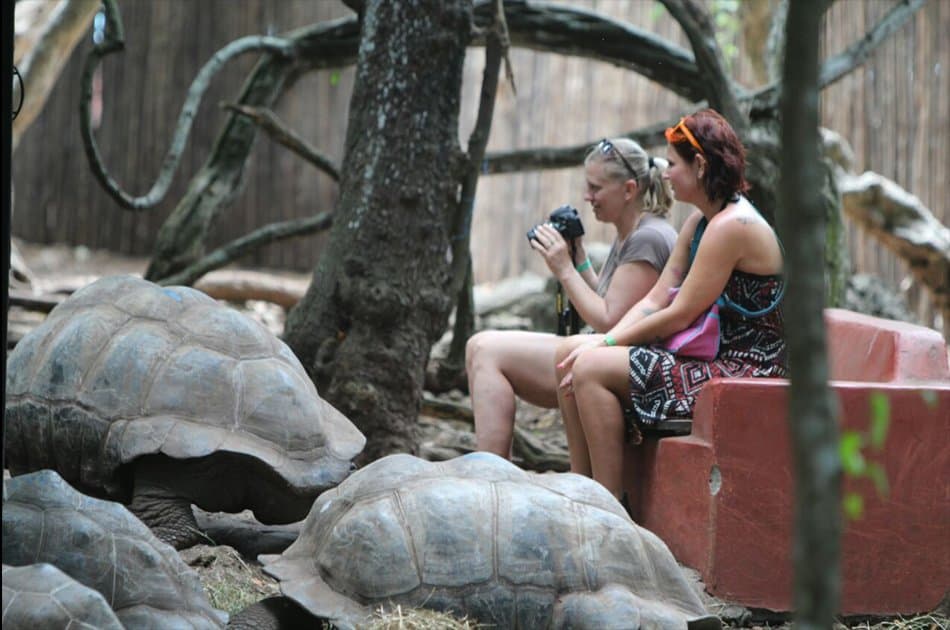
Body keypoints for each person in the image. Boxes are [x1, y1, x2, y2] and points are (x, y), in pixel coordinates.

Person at [554, 109, 787, 500]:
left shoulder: (732, 227)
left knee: (591, 367)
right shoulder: (700, 222)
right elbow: (656, 298)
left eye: (673, 164)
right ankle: (581, 488)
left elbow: (679, 314)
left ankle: (607, 503)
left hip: (743, 366)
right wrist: (606, 338)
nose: (664, 173)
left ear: (698, 166)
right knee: (568, 350)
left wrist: (607, 346)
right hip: (707, 355)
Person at [466, 137, 678, 458]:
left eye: (596, 188)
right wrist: (578, 258)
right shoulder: (635, 231)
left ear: (629, 189)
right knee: (478, 346)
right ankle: (492, 467)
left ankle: (492, 474)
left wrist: (563, 269)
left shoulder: (648, 238)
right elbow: (610, 301)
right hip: (598, 352)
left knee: (485, 350)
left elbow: (609, 321)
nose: (586, 196)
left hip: (617, 366)